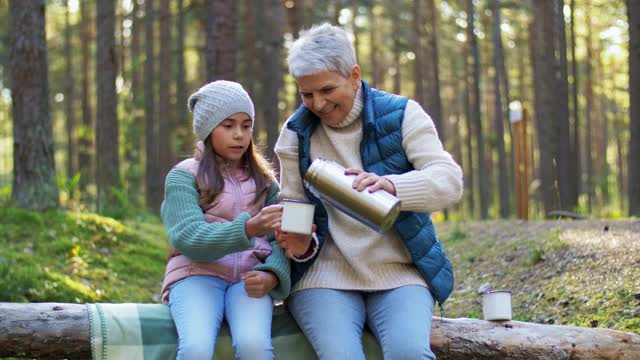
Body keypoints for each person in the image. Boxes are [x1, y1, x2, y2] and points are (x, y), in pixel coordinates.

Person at [274, 23, 463, 359]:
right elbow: (293, 201)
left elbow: (449, 181)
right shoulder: (295, 133)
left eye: (327, 89)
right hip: (323, 277)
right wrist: (301, 245)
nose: (317, 103)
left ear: (355, 75)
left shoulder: (402, 115)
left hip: (399, 272)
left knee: (409, 353)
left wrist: (393, 185)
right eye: (307, 94)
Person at [160, 80, 290, 360]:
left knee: (255, 347)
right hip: (195, 275)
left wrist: (272, 274)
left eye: (246, 125)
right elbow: (188, 238)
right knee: (195, 348)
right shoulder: (183, 176)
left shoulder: (265, 181)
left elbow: (284, 237)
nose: (239, 135)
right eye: (228, 125)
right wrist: (249, 227)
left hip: (249, 280)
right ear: (208, 129)